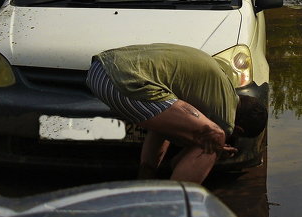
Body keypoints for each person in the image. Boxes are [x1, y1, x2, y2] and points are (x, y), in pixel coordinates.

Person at [86, 42, 268, 183]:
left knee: (172, 127)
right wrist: (219, 147)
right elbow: (180, 160)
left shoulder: (220, 86)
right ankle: (176, 205)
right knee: (215, 136)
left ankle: (145, 183)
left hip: (100, 70)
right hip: (126, 83)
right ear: (239, 130)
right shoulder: (226, 115)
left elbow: (164, 128)